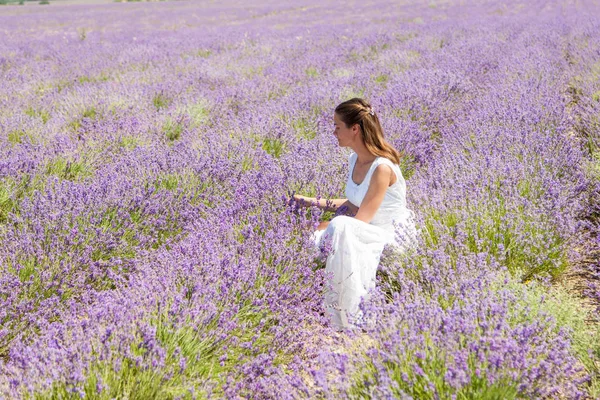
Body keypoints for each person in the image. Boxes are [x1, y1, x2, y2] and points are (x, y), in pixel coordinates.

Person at [293, 98, 417, 331]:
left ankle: (349, 313)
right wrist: (311, 202)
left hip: (387, 234)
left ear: (354, 129)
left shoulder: (382, 167)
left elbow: (362, 219)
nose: (334, 132)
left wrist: (330, 225)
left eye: (337, 126)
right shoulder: (355, 159)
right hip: (362, 226)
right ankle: (319, 299)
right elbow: (354, 202)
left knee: (338, 227)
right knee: (323, 230)